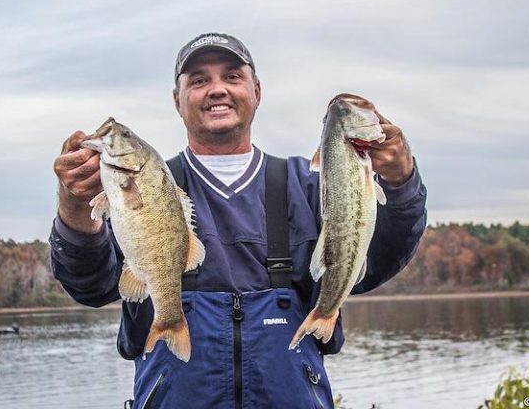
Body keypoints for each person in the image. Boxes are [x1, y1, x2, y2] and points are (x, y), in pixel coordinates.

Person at [50, 32, 427, 408]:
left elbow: (374, 263)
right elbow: (93, 286)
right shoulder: (147, 186)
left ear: (257, 92)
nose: (217, 89)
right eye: (198, 80)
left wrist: (401, 180)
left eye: (232, 76)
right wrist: (73, 204)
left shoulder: (310, 184)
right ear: (177, 101)